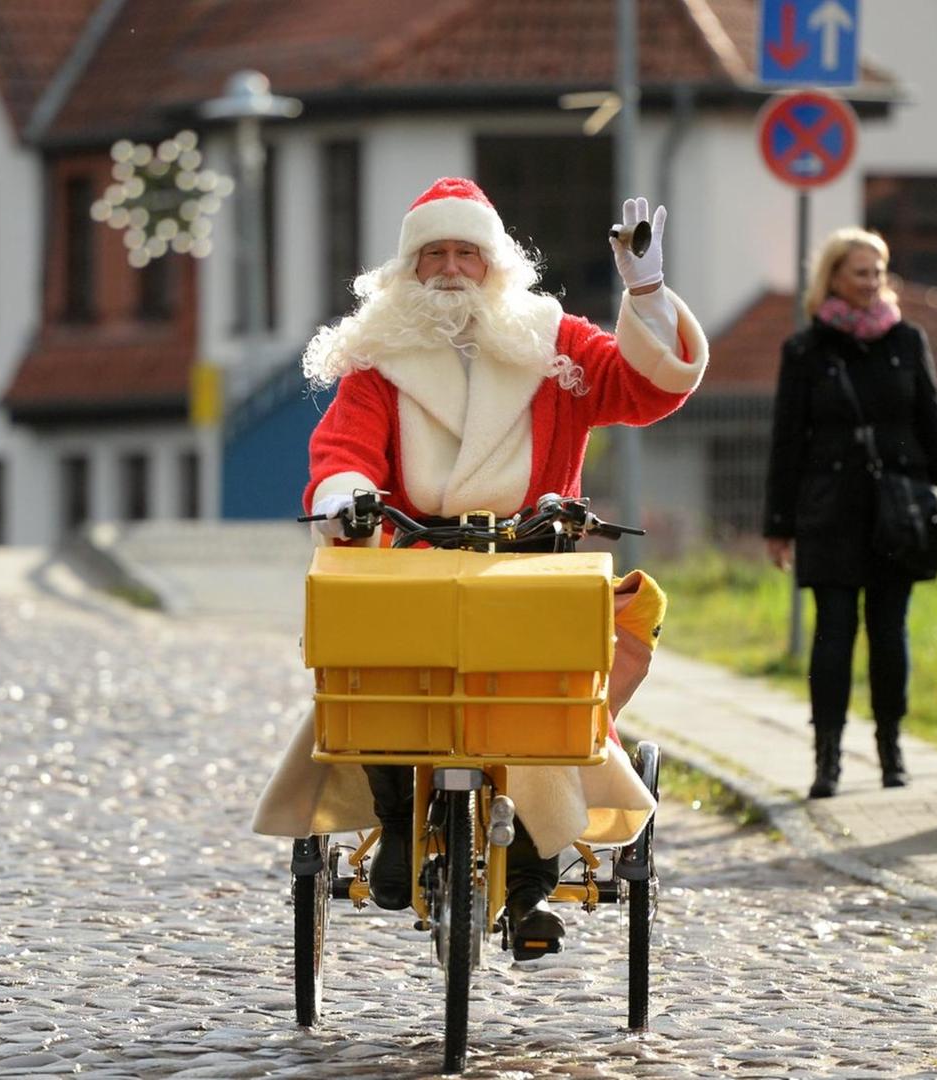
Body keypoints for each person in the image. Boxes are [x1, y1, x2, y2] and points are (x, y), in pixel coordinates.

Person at [252, 177, 707, 953]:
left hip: (531, 554)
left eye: (468, 251)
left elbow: (641, 388)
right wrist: (349, 497)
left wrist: (651, 296)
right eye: (435, 254)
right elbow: (343, 451)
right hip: (415, 555)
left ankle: (530, 872)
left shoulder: (551, 339)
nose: (453, 268)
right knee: (381, 677)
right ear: (409, 269)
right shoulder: (378, 356)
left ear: (496, 264)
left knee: (544, 710)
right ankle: (400, 826)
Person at [761, 228, 937, 800]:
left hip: (897, 514)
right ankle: (827, 758)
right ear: (833, 278)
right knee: (833, 634)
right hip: (829, 513)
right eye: (861, 271)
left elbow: (935, 427)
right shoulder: (805, 350)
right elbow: (787, 442)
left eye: (879, 270)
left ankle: (891, 750)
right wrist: (778, 526)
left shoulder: (907, 341)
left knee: (890, 633)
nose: (873, 280)